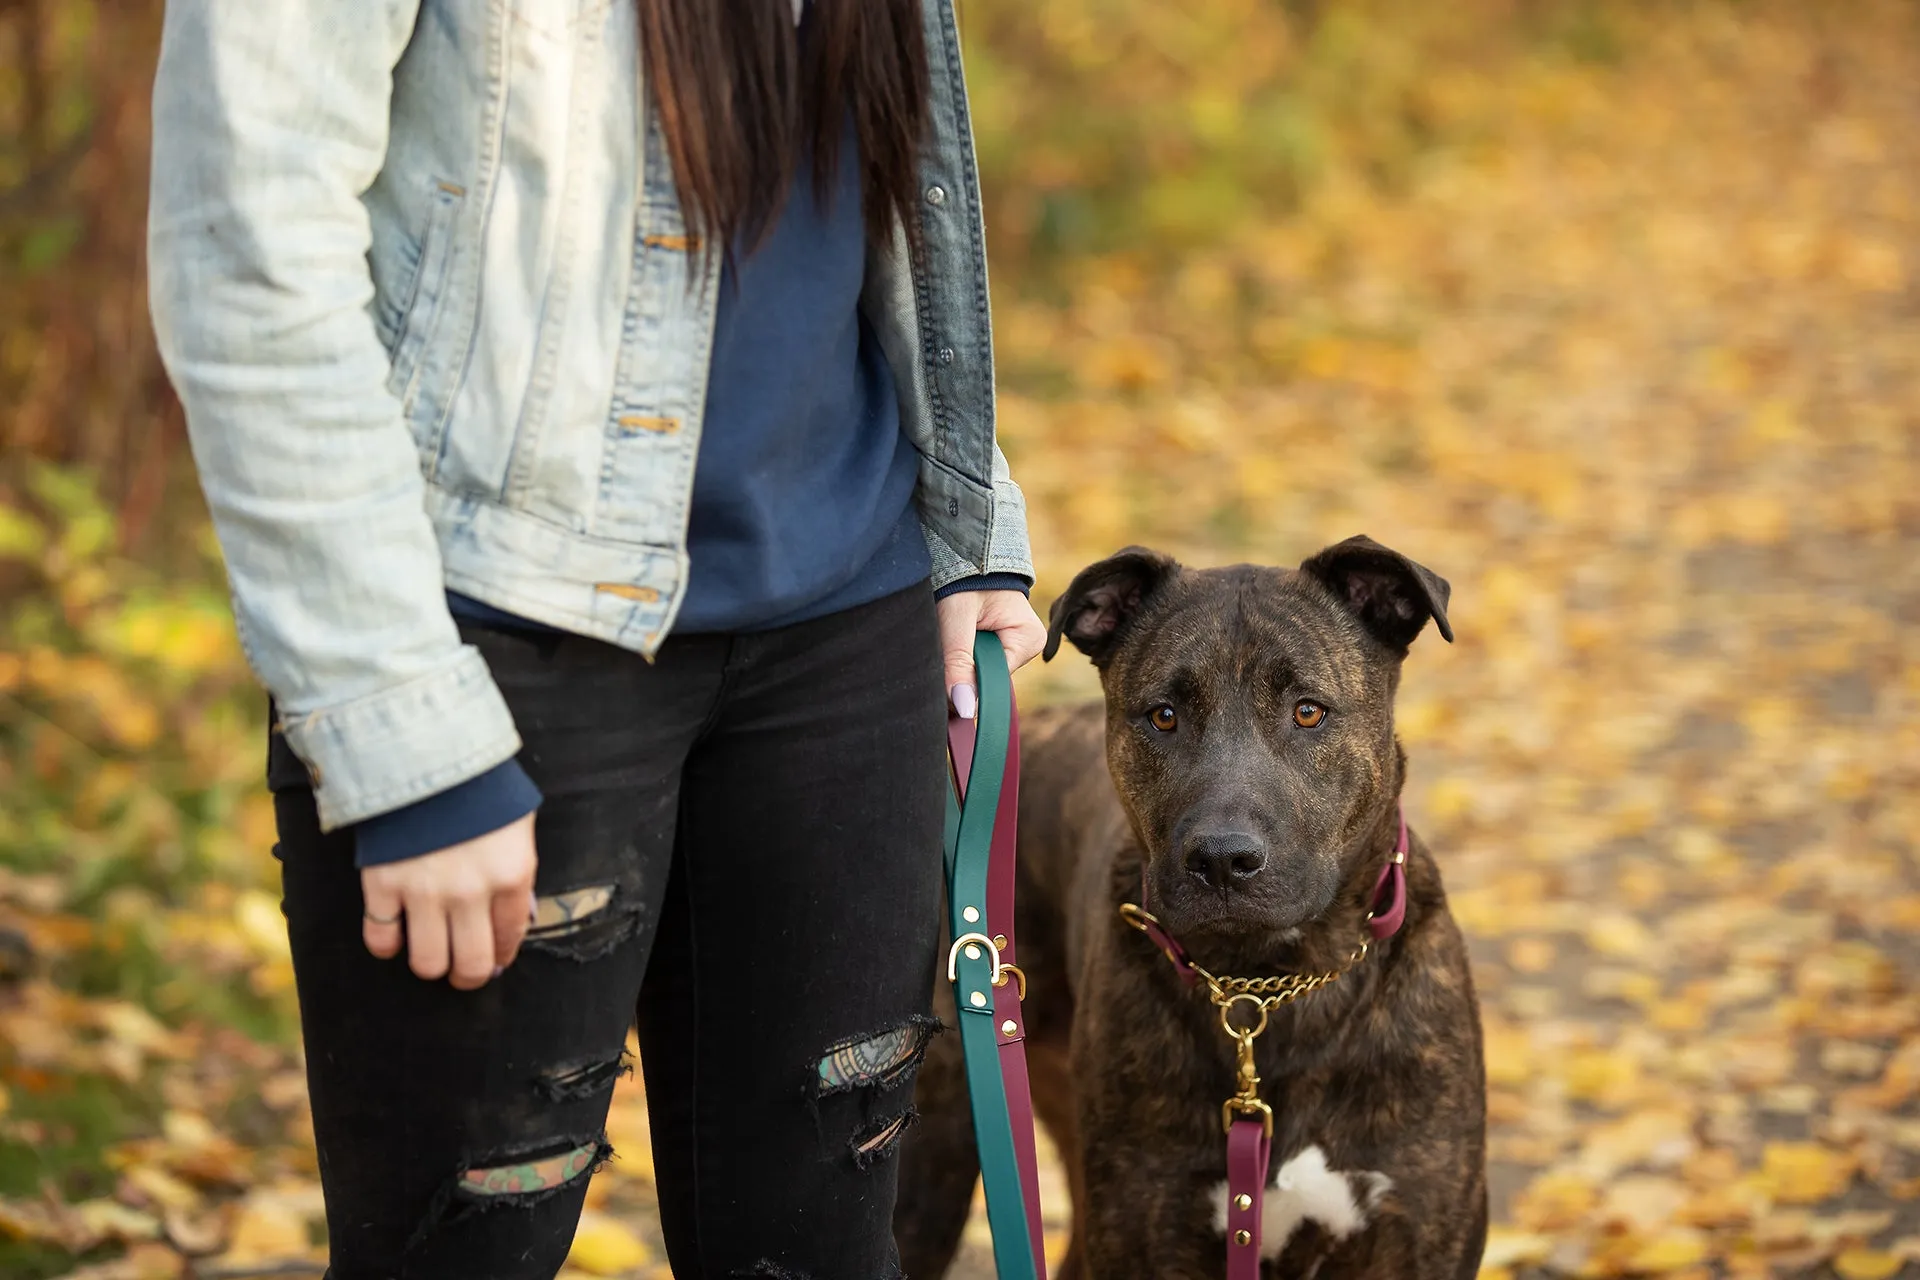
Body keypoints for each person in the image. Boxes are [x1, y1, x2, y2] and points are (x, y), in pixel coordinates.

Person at [146, 2, 1045, 1276]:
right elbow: (245, 239)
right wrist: (400, 721)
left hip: (850, 621)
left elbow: (879, 156)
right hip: (495, 645)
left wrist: (966, 517)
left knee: (824, 1251)